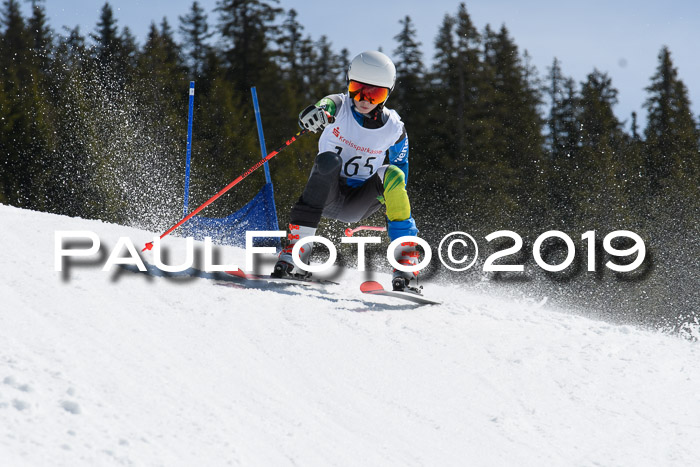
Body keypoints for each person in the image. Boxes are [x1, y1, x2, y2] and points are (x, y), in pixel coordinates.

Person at [272, 50, 421, 292]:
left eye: (375, 93)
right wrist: (315, 115)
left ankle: (405, 266)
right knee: (328, 160)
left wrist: (390, 201)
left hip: (360, 201)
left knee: (393, 174)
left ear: (387, 95)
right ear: (349, 85)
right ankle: (296, 256)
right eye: (358, 89)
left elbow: (400, 170)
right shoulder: (339, 106)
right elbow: (323, 106)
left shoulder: (394, 128)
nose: (364, 99)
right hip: (327, 193)